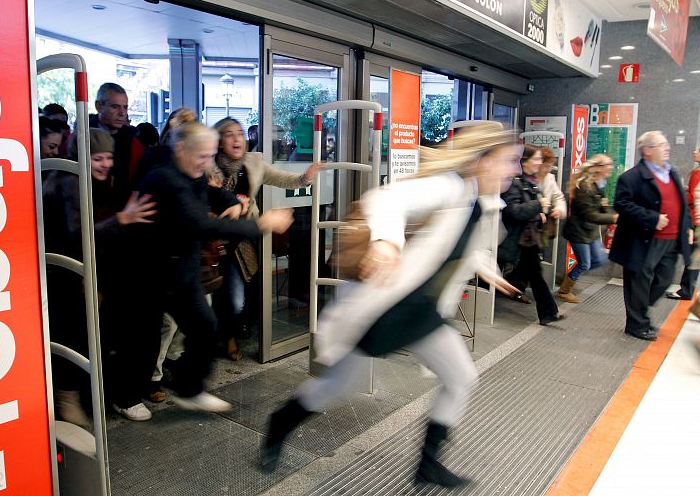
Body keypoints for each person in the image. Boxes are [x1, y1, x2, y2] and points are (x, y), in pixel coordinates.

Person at [260, 124, 523, 487]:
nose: (516, 170)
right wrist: (386, 242)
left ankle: (428, 466)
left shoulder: (480, 200)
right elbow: (385, 200)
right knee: (336, 386)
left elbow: (458, 245)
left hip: (420, 310)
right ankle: (279, 425)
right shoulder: (448, 185)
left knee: (462, 377)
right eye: (510, 161)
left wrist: (487, 270)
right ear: (483, 160)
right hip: (388, 307)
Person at [135, 122, 293, 412]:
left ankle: (190, 389)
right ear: (180, 149)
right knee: (145, 338)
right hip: (150, 273)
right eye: (201, 156)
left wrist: (231, 200)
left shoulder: (192, 171)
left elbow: (210, 192)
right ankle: (128, 395)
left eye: (210, 156)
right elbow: (200, 222)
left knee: (205, 327)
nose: (207, 163)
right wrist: (259, 224)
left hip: (181, 270)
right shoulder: (164, 178)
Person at [42, 129, 156, 426]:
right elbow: (77, 234)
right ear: (81, 155)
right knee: (76, 333)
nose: (105, 163)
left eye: (108, 157)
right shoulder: (69, 181)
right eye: (97, 157)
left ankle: (84, 397)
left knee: (91, 333)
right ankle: (67, 400)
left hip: (79, 272)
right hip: (65, 275)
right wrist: (122, 219)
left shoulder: (84, 179)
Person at [209, 117, 322, 360]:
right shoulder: (208, 167)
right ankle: (223, 338)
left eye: (239, 132)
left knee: (242, 298)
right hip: (214, 241)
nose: (236, 137)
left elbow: (281, 178)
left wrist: (305, 178)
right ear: (218, 141)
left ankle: (229, 331)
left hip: (243, 240)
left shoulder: (254, 162)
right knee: (224, 297)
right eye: (229, 134)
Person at [610, 131, 692, 341]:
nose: (667, 148)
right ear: (647, 150)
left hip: (671, 239)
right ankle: (637, 324)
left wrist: (687, 226)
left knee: (664, 280)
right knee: (639, 281)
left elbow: (681, 202)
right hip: (643, 240)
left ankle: (638, 309)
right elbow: (622, 204)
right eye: (661, 145)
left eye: (666, 144)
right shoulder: (631, 177)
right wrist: (652, 218)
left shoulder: (671, 172)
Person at [498, 145, 564, 324]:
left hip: (528, 238)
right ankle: (548, 311)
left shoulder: (531, 182)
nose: (539, 163)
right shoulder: (514, 183)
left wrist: (540, 212)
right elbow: (513, 211)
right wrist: (537, 206)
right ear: (524, 161)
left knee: (534, 273)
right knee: (531, 273)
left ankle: (548, 312)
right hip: (517, 238)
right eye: (536, 159)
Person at [558, 155, 618, 302]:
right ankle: (564, 291)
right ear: (597, 167)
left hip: (589, 231)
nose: (611, 167)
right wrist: (613, 218)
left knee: (599, 260)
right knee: (585, 263)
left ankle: (571, 276)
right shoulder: (585, 187)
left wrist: (611, 215)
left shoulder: (598, 185)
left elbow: (603, 207)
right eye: (607, 164)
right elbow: (589, 215)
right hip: (578, 231)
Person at [90, 83, 143, 204]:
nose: (122, 113)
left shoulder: (134, 142)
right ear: (99, 106)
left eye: (125, 107)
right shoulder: (81, 138)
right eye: (115, 107)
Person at [666, 147, 700, 300]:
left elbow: (693, 198)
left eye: (698, 151)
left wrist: (680, 195)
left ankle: (686, 291)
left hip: (696, 222)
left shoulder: (697, 173)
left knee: (693, 258)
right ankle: (686, 290)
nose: (694, 152)